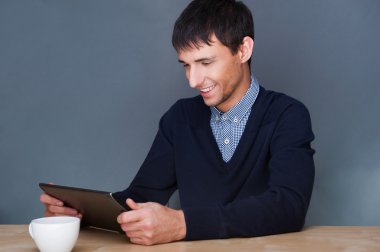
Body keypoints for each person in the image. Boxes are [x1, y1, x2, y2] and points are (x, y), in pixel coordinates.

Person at [40, 0, 315, 246]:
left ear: (243, 50)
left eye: (205, 62)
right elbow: (138, 201)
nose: (193, 80)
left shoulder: (287, 115)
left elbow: (288, 207)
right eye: (186, 65)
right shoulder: (179, 119)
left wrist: (183, 224)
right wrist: (77, 214)